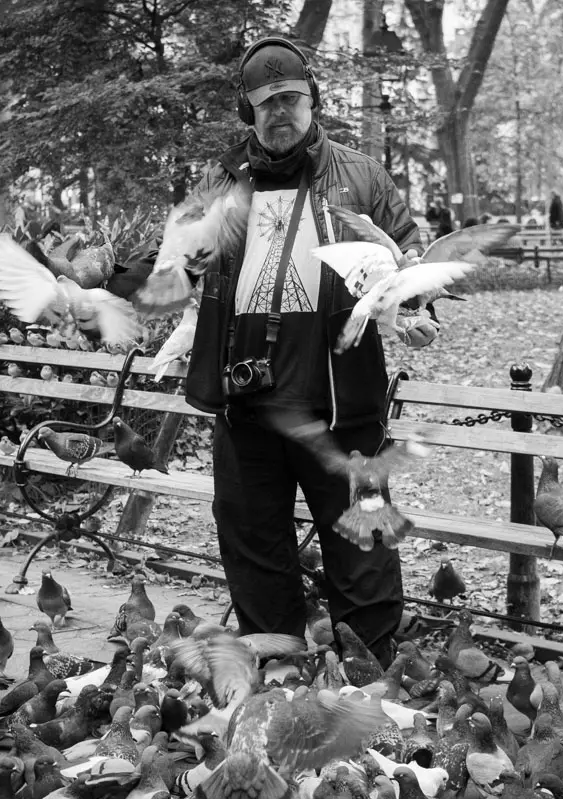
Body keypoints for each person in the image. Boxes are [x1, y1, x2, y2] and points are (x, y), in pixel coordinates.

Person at [181, 36, 432, 666]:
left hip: (342, 408)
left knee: (363, 549)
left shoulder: (361, 175)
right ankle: (280, 673)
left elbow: (412, 258)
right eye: (266, 103)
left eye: (290, 99)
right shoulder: (221, 181)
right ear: (248, 110)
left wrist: (418, 306)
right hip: (247, 406)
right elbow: (183, 264)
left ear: (312, 99)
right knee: (254, 548)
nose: (280, 113)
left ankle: (371, 674)